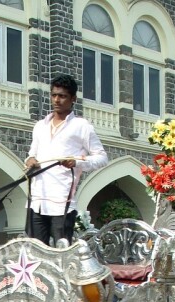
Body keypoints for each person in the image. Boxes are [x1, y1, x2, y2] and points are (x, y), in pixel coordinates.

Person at [24, 74, 108, 246]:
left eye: (62, 96)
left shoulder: (82, 126)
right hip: (36, 200)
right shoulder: (40, 125)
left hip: (62, 202)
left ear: (73, 99)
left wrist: (76, 162)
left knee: (62, 255)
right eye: (54, 95)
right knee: (34, 253)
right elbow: (32, 154)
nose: (57, 100)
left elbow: (102, 158)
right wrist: (30, 160)